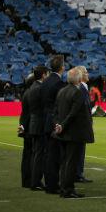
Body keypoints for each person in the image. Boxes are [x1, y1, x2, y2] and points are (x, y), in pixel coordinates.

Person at [53, 67, 94, 199]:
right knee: (71, 162)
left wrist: (58, 125)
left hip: (63, 133)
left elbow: (56, 112)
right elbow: (73, 114)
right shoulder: (77, 93)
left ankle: (64, 188)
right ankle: (68, 189)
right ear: (78, 79)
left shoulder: (61, 91)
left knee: (65, 162)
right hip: (74, 132)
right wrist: (62, 125)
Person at [41, 54, 66, 194]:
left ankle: (49, 183)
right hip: (54, 122)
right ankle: (53, 185)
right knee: (55, 156)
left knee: (49, 154)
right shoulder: (58, 83)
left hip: (46, 120)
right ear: (62, 67)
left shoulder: (45, 81)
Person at [24, 66, 48, 190]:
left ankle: (34, 181)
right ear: (43, 75)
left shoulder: (32, 88)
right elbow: (44, 107)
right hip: (40, 124)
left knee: (35, 153)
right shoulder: (40, 88)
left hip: (34, 123)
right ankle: (36, 182)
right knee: (39, 154)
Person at [75, 66, 92, 184]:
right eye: (85, 72)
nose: (88, 74)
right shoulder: (81, 88)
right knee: (79, 150)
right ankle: (77, 174)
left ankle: (78, 173)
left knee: (80, 150)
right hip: (81, 125)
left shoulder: (83, 88)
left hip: (82, 124)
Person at [18, 73, 35, 188]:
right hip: (30, 128)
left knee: (27, 155)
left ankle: (26, 180)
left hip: (26, 126)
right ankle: (29, 180)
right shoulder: (31, 94)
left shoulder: (26, 93)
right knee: (30, 155)